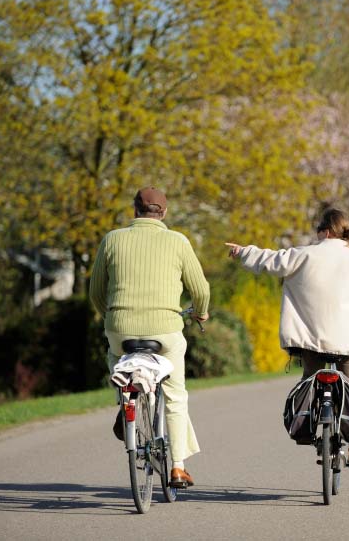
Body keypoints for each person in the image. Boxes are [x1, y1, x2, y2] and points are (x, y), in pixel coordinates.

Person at [226, 208, 349, 466]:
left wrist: (242, 252)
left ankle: (307, 425)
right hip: (348, 341)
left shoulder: (303, 255)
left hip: (310, 339)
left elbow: (270, 260)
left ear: (324, 232)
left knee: (309, 379)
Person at [89, 186, 210, 488]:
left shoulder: (112, 239)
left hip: (121, 329)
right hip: (165, 331)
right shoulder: (178, 241)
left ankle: (125, 398)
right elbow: (201, 291)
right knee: (175, 393)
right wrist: (201, 312)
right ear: (164, 213)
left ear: (134, 210)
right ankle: (178, 468)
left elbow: (95, 292)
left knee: (116, 360)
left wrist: (113, 316)